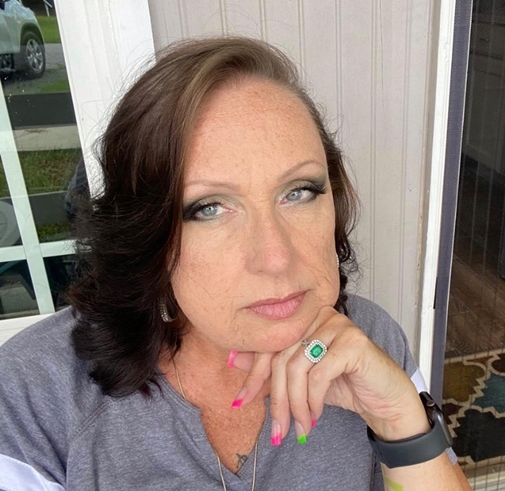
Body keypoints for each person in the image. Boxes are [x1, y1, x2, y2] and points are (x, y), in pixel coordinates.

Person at [0, 37, 470, 490]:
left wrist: (400, 420)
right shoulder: (32, 397)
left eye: (299, 192)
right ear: (147, 236)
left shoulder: (369, 340)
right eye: (209, 208)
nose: (276, 257)